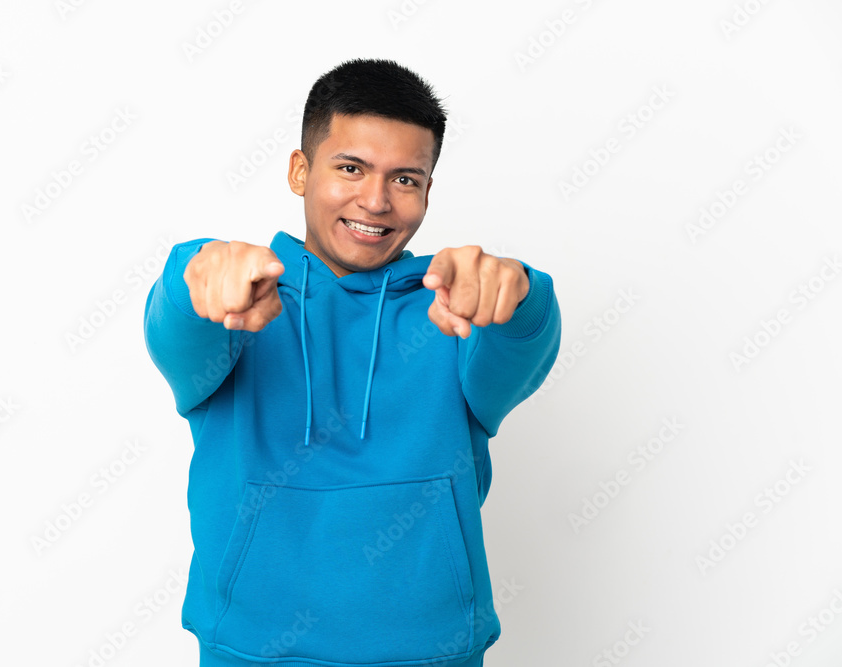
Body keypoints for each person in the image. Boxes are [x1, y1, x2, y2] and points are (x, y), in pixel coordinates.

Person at [143, 58, 562, 667]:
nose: (375, 200)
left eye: (405, 179)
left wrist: (521, 292)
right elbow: (177, 323)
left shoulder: (456, 309)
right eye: (351, 168)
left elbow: (525, 342)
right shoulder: (240, 302)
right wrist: (195, 273)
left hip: (434, 653)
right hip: (251, 652)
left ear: (426, 192)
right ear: (300, 170)